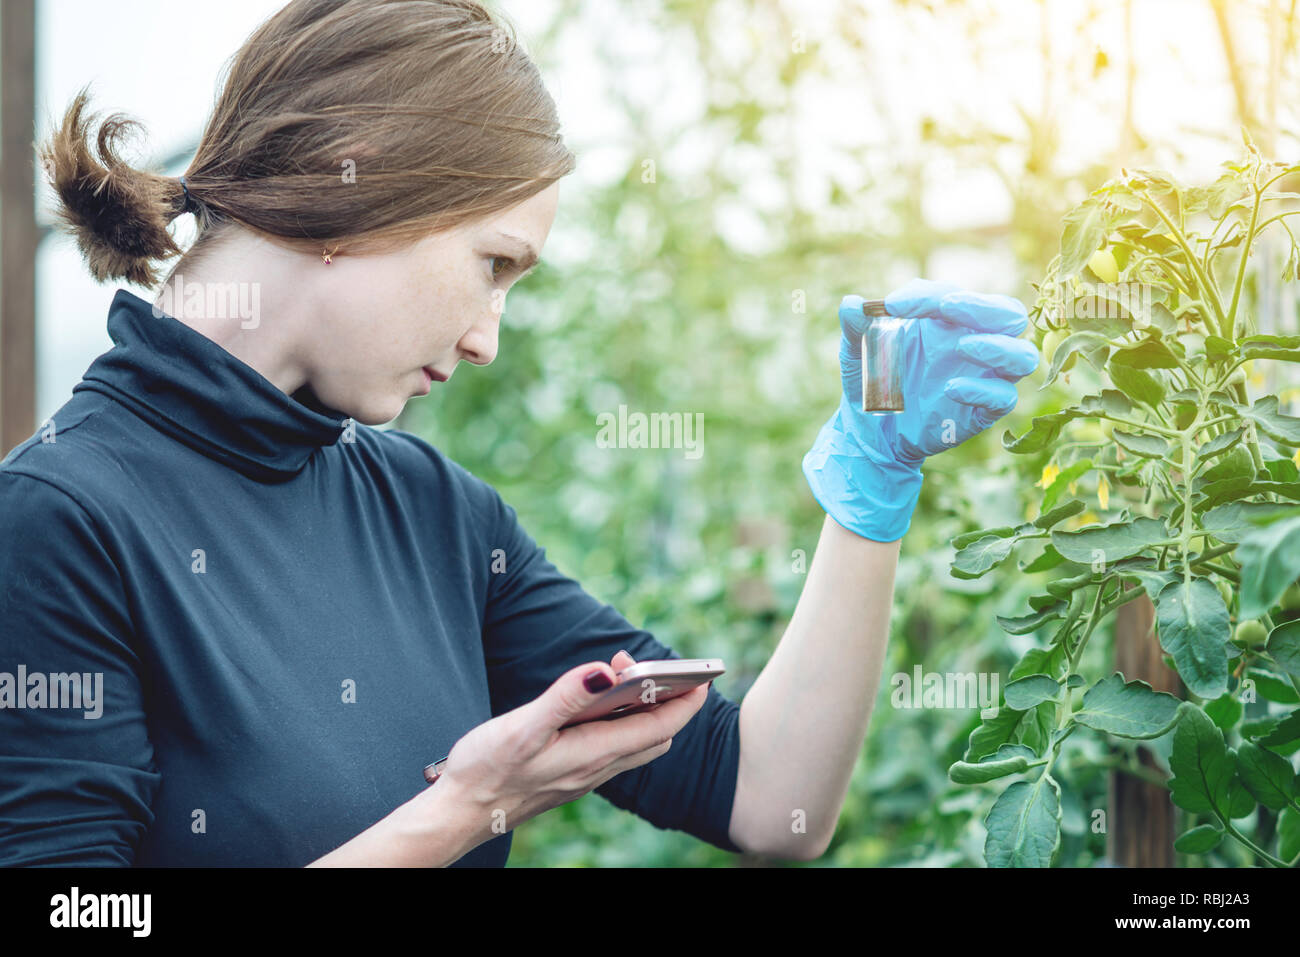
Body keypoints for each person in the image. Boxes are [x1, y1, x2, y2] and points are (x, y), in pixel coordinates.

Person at [0, 0, 1039, 867]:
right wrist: (462, 808)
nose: (488, 337)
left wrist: (868, 480)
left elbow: (770, 801)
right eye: (492, 264)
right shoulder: (58, 520)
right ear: (352, 181)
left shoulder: (428, 510)